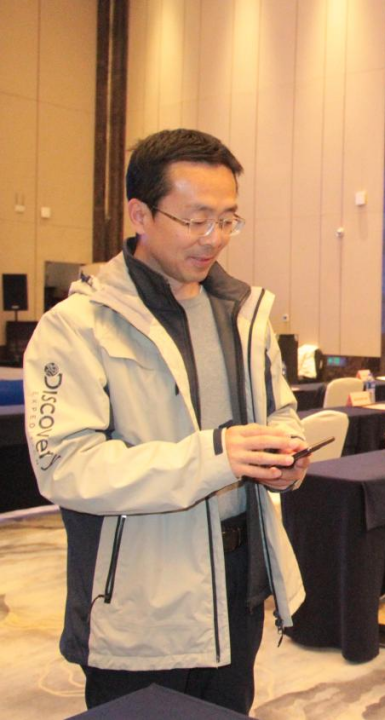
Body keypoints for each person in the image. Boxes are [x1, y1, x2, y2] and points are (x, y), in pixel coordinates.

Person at [23, 128, 309, 713]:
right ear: (140, 215)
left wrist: (287, 453)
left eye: (227, 220)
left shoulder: (243, 314)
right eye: (196, 219)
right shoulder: (77, 326)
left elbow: (279, 410)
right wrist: (216, 456)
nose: (214, 238)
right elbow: (66, 468)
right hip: (142, 602)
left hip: (239, 579)